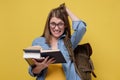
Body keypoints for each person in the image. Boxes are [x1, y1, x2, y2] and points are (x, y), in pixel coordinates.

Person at [28, 3, 87, 80]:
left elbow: (81, 27)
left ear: (65, 25)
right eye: (53, 24)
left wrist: (65, 10)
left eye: (60, 24)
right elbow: (32, 72)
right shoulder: (37, 42)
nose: (56, 28)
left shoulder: (69, 42)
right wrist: (41, 66)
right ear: (48, 24)